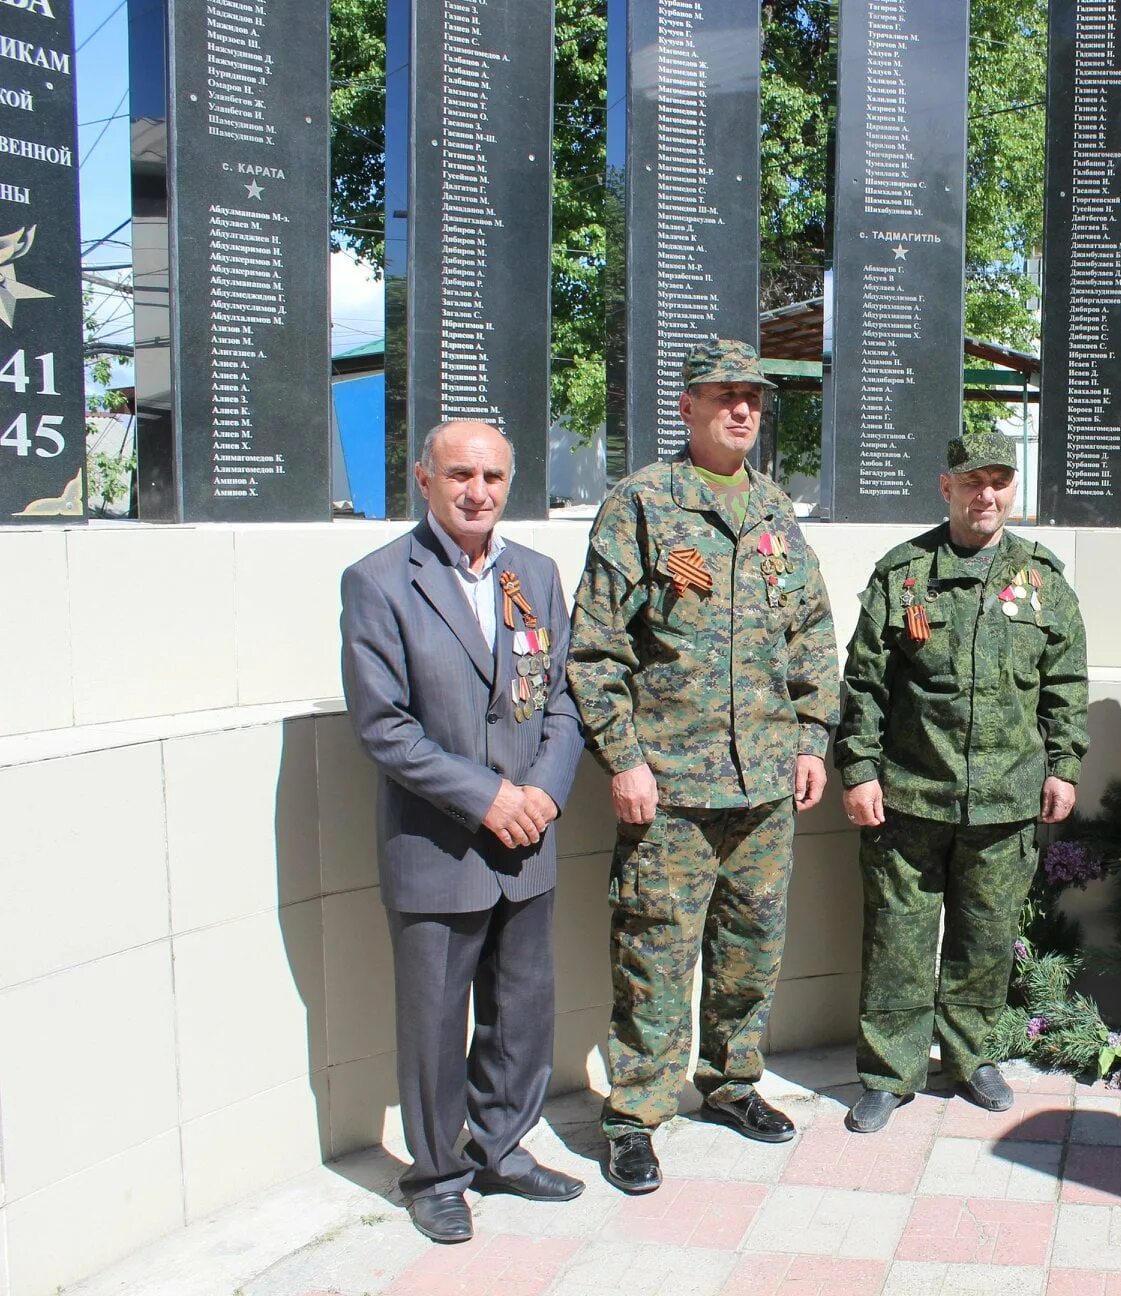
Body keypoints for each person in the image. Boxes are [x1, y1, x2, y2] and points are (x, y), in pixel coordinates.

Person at [568, 338, 840, 1193]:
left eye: (753, 398)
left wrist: (813, 737)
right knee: (654, 952)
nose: (742, 410)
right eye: (724, 395)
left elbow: (812, 635)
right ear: (686, 406)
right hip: (672, 789)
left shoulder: (774, 512)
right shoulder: (642, 505)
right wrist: (624, 758)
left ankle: (731, 1083)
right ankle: (636, 1114)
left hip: (764, 782)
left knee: (750, 947)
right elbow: (596, 651)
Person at [339, 420, 585, 1244]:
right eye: (459, 475)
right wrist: (488, 798)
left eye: (491, 476)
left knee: (522, 1011)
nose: (477, 492)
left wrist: (544, 794)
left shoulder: (538, 575)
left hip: (529, 842)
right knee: (436, 1021)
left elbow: (562, 699)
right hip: (439, 845)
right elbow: (385, 726)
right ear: (423, 478)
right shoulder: (377, 582)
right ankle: (436, 1172)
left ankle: (503, 1148)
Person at [835, 431, 1090, 1133]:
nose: (987, 495)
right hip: (911, 796)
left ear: (1014, 489)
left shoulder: (1041, 579)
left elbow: (1065, 681)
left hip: (1006, 799)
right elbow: (864, 685)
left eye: (1000, 482)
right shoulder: (904, 573)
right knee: (898, 938)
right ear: (945, 487)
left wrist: (1065, 764)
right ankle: (890, 1072)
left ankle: (971, 1057)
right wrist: (858, 770)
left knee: (985, 936)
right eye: (973, 481)